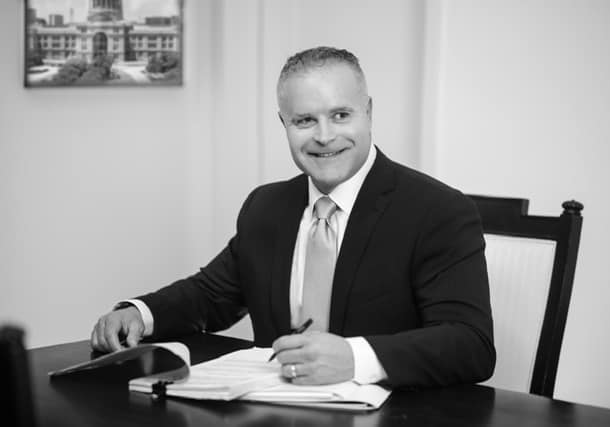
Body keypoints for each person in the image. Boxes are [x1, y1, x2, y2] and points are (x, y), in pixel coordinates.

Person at [91, 46, 495, 388]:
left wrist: (356, 358)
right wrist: (139, 313)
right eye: (304, 120)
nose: (323, 136)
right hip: (276, 409)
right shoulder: (266, 206)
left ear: (369, 112)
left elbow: (470, 344)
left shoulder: (438, 210)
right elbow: (211, 295)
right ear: (283, 122)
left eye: (341, 115)